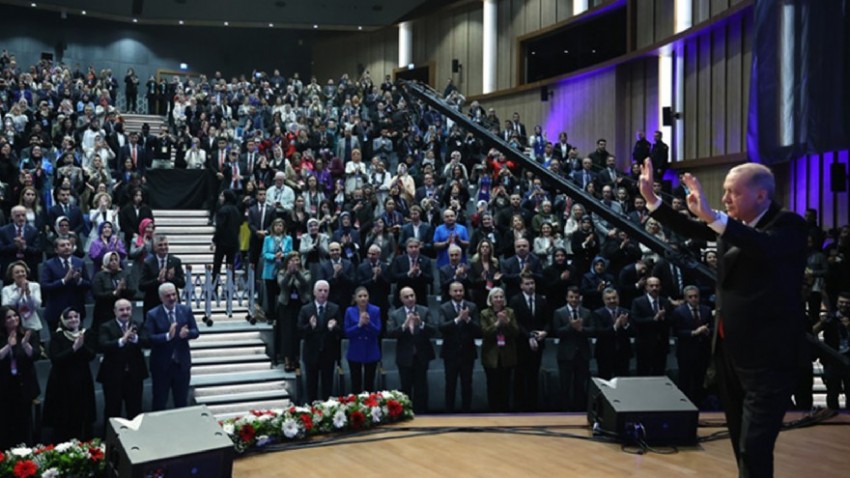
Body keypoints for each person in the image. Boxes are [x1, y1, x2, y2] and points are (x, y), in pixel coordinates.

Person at [638, 157, 807, 477]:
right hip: (730, 352)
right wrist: (652, 200)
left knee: (754, 444)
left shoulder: (788, 225)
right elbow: (692, 228)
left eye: (733, 192)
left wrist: (715, 217)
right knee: (739, 440)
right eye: (725, 192)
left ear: (760, 195)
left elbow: (764, 248)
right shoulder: (735, 227)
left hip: (769, 355)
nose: (725, 198)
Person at [43, 307, 97, 443]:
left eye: (76, 317)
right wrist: (73, 349)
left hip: (82, 380)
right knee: (63, 416)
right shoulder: (57, 336)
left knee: (82, 415)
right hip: (61, 382)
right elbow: (56, 359)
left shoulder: (87, 334)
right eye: (69, 317)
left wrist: (81, 346)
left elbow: (91, 355)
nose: (73, 320)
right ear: (63, 320)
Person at [143, 282, 199, 411]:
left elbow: (195, 331)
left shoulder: (185, 310)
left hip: (181, 365)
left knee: (181, 402)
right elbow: (149, 338)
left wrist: (188, 333)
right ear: (161, 298)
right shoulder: (152, 314)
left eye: (174, 294)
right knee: (159, 402)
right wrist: (167, 336)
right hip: (162, 366)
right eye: (168, 296)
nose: (172, 298)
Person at [98, 299, 148, 423]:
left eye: (128, 309)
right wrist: (122, 340)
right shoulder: (106, 326)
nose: (125, 312)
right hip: (113, 376)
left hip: (134, 375)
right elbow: (103, 345)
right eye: (121, 310)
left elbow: (148, 341)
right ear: (114, 311)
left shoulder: (138, 324)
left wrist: (135, 339)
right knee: (112, 411)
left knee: (135, 410)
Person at [387, 287, 436, 413]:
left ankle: (422, 415)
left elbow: (434, 331)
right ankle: (406, 413)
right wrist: (404, 325)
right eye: (406, 297)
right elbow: (390, 333)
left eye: (412, 295)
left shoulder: (424, 311)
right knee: (406, 387)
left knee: (422, 388)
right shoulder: (395, 314)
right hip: (404, 357)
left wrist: (421, 324)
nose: (410, 299)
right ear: (401, 299)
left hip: (422, 355)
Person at [0, 305, 41, 449]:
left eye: (15, 315)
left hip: (24, 386)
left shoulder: (29, 334)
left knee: (24, 425)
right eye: (8, 317)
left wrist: (25, 346)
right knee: (6, 425)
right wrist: (8, 347)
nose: (13, 319)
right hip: (5, 387)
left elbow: (35, 355)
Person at [509, 274, 549, 411]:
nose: (530, 286)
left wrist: (545, 332)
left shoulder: (541, 300)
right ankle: (518, 408)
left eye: (532, 283)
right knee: (519, 376)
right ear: (521, 285)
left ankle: (532, 407)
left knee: (533, 376)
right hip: (521, 343)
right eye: (527, 283)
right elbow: (516, 322)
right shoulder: (515, 300)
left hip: (538, 343)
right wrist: (528, 336)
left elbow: (548, 321)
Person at [439, 281, 481, 412]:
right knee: (450, 384)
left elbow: (478, 330)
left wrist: (467, 320)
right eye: (455, 291)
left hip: (467, 353)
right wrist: (457, 319)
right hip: (450, 353)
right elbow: (441, 327)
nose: (458, 293)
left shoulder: (472, 306)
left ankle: (467, 413)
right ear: (450, 292)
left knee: (467, 384)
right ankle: (449, 412)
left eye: (460, 290)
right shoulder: (444, 307)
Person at [297, 280, 341, 403]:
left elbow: (341, 331)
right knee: (311, 386)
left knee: (328, 386)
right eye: (320, 290)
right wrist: (310, 326)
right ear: (314, 292)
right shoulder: (306, 309)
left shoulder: (335, 308)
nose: (323, 293)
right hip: (311, 354)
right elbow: (300, 331)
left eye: (325, 291)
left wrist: (334, 328)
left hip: (329, 354)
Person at [671, 285, 712, 406]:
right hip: (686, 352)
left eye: (696, 296)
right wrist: (694, 332)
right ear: (685, 298)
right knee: (685, 381)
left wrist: (707, 331)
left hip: (702, 352)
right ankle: (684, 407)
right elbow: (677, 332)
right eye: (690, 297)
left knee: (699, 382)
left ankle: (698, 406)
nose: (694, 299)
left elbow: (712, 327)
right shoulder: (679, 311)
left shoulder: (706, 310)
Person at [553, 286, 593, 411]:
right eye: (571, 297)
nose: (574, 300)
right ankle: (564, 413)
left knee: (580, 386)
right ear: (566, 298)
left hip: (582, 354)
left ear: (580, 298)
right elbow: (557, 332)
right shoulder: (559, 312)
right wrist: (571, 327)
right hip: (566, 355)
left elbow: (593, 330)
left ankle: (580, 411)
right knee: (565, 386)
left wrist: (582, 329)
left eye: (576, 297)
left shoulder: (587, 312)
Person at [480, 287, 518, 412]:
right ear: (490, 299)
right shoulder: (484, 313)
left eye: (501, 297)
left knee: (506, 386)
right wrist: (497, 323)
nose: (499, 299)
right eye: (496, 297)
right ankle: (493, 411)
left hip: (507, 354)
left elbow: (516, 333)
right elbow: (485, 333)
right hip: (491, 355)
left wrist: (506, 322)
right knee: (492, 386)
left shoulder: (510, 312)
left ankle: (505, 411)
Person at [40, 237, 91, 328]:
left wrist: (79, 281)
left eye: (69, 245)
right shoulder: (49, 264)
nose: (67, 247)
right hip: (56, 311)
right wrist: (64, 280)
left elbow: (88, 285)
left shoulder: (80, 262)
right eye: (63, 245)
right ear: (56, 249)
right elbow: (45, 286)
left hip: (76, 310)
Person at [630, 276, 672, 376]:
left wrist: (663, 319)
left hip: (661, 345)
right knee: (643, 372)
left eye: (657, 286)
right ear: (646, 287)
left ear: (660, 287)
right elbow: (636, 320)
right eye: (651, 286)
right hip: (644, 344)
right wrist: (654, 319)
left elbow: (671, 320)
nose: (654, 288)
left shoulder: (665, 302)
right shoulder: (638, 302)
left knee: (659, 373)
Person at [277, 251, 311, 371]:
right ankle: (287, 359)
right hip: (286, 305)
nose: (295, 262)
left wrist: (297, 273)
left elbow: (305, 283)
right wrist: (288, 274)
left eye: (297, 260)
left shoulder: (305, 272)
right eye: (292, 260)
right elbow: (282, 285)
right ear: (287, 262)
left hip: (301, 305)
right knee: (287, 333)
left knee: (298, 332)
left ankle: (297, 358)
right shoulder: (282, 272)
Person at [344, 286, 381, 393]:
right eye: (360, 296)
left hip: (371, 350)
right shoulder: (350, 311)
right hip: (355, 351)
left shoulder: (375, 310)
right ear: (355, 298)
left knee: (369, 384)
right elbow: (347, 332)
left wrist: (369, 323)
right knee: (356, 383)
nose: (363, 298)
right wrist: (359, 325)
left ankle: (370, 407)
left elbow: (378, 331)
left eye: (365, 296)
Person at [91, 251, 135, 340]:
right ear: (106, 261)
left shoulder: (124, 274)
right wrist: (114, 293)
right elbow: (97, 294)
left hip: (122, 310)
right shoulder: (99, 275)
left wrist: (123, 289)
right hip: (104, 312)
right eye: (111, 260)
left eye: (116, 259)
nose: (114, 262)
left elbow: (133, 291)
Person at [139, 234, 186, 316]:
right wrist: (157, 280)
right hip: (153, 303)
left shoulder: (175, 261)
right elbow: (142, 285)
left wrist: (171, 278)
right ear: (154, 248)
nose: (163, 247)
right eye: (160, 245)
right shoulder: (148, 263)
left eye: (165, 244)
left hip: (172, 304)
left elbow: (182, 283)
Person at [592, 287, 633, 379]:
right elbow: (599, 332)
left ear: (618, 298)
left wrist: (625, 324)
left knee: (623, 381)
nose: (612, 300)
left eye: (614, 298)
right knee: (605, 380)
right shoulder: (597, 313)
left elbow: (634, 331)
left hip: (623, 353)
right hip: (604, 354)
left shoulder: (626, 312)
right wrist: (615, 326)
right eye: (608, 299)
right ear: (603, 300)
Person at [262, 218, 292, 318]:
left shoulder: (288, 239)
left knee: (282, 293)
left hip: (283, 270)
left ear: (283, 228)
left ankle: (282, 315)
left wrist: (283, 255)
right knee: (270, 295)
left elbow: (291, 253)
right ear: (273, 227)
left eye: (280, 225)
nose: (278, 227)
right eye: (276, 225)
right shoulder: (267, 239)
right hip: (270, 269)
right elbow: (264, 253)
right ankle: (270, 316)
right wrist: (274, 256)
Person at [211, 189, 242, 283]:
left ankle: (214, 287)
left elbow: (220, 228)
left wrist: (214, 240)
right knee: (230, 266)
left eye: (222, 196)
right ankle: (230, 287)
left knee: (217, 265)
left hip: (222, 242)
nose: (220, 198)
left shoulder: (223, 210)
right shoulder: (236, 210)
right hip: (233, 242)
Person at [1, 261, 43, 332]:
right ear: (12, 276)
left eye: (23, 271)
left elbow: (37, 305)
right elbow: (5, 307)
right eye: (17, 272)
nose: (20, 274)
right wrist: (19, 293)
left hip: (32, 325)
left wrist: (28, 294)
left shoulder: (35, 286)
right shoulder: (6, 290)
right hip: (13, 327)